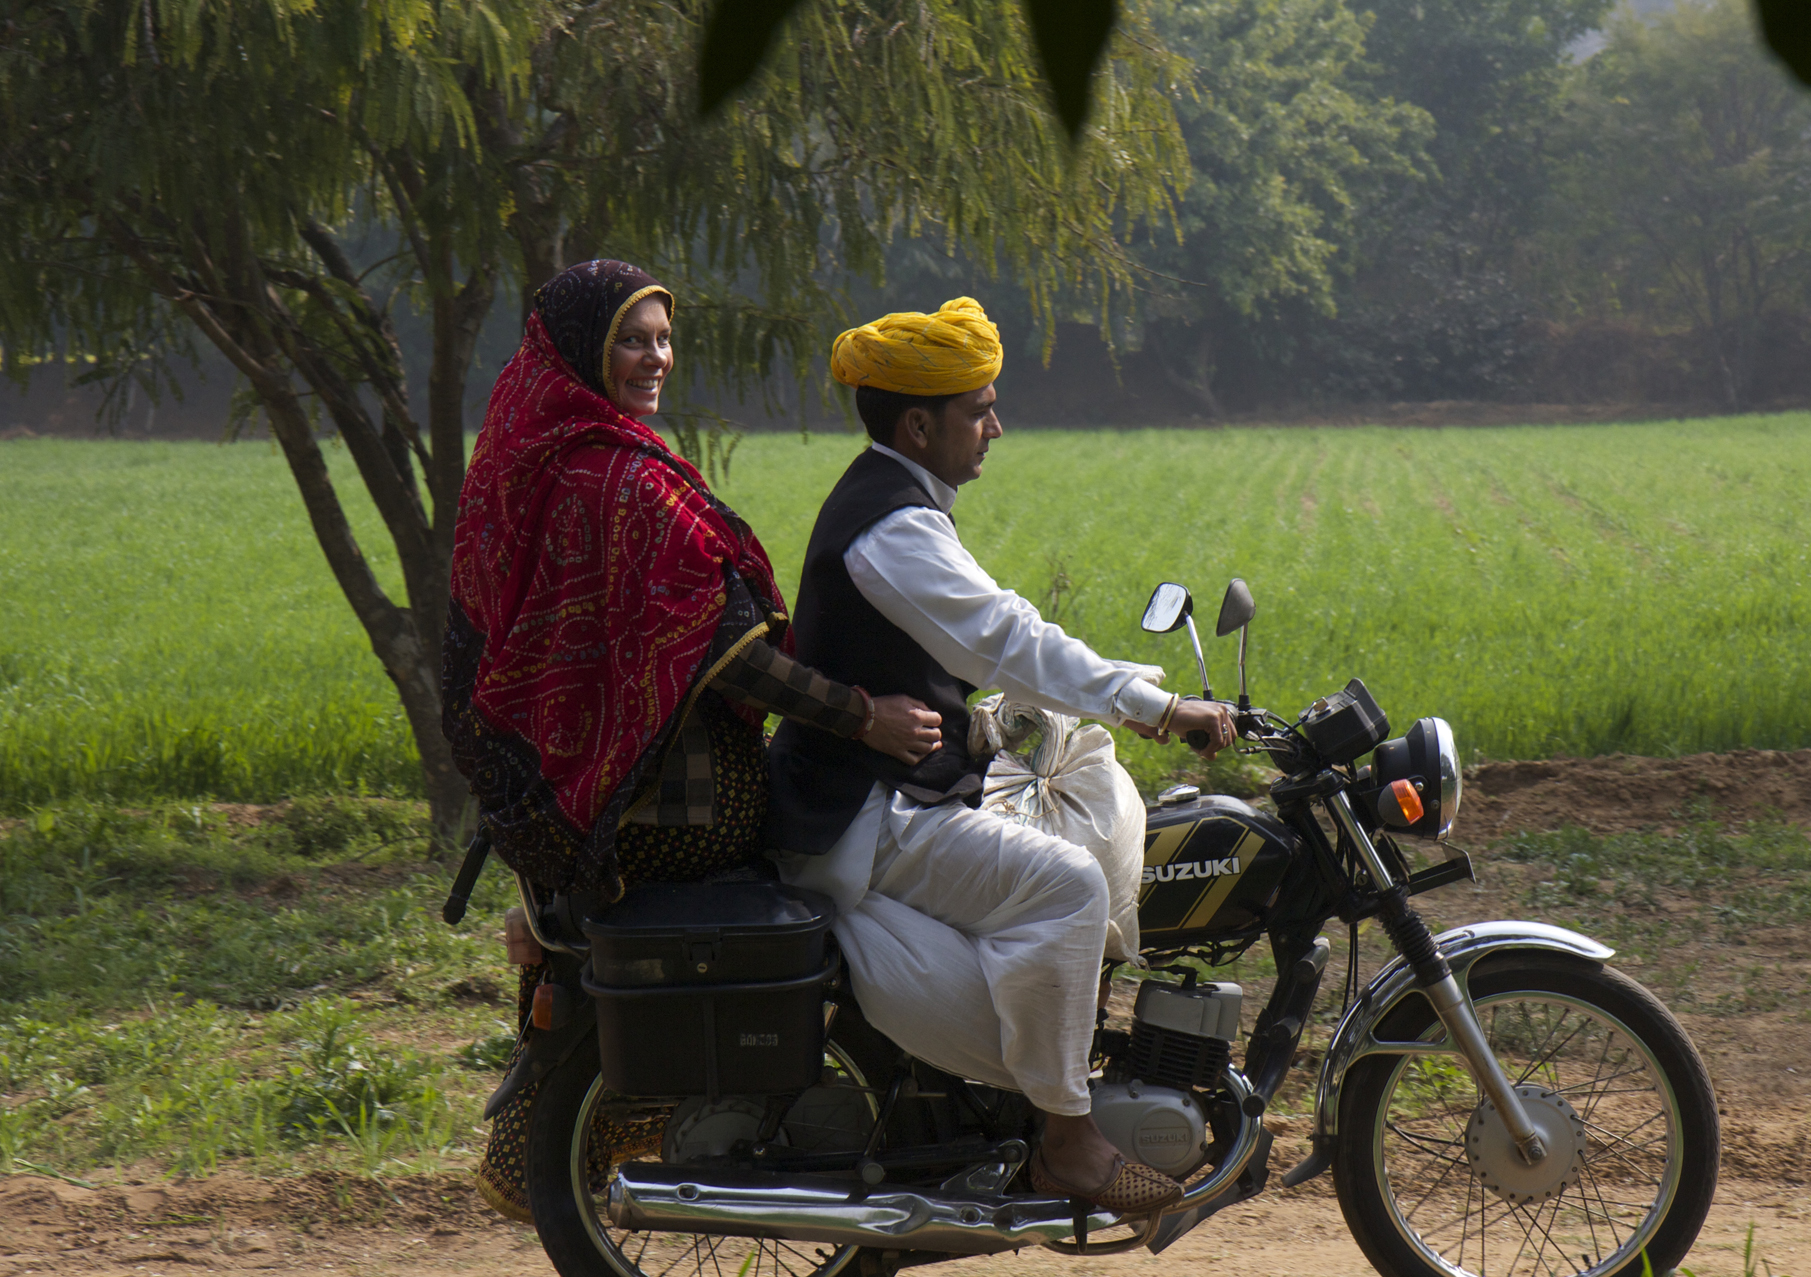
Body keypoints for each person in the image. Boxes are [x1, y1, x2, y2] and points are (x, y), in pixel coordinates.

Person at [443, 259, 939, 1223]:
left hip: (575, 802)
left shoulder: (525, 455)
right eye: (633, 338)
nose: (655, 357)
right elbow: (722, 653)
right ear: (583, 349)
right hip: (673, 812)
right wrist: (858, 713)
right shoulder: (626, 480)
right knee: (836, 877)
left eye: (663, 337)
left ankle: (586, 1125)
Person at [768, 297, 1234, 1217]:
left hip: (893, 791)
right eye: (979, 409)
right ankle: (1065, 1138)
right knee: (1067, 886)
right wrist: (1157, 704)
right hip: (870, 816)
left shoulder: (898, 505)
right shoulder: (893, 530)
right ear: (918, 423)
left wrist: (984, 728)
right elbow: (1005, 636)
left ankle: (1042, 1080)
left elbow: (955, 652)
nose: (996, 426)